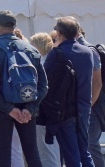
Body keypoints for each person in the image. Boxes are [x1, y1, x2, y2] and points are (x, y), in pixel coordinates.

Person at [0, 10, 47, 167]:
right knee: (32, 153)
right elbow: (43, 85)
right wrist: (30, 108)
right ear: (14, 26)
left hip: (0, 108)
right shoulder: (30, 49)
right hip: (26, 105)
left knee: (2, 155)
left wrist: (8, 108)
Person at [45, 17, 95, 167]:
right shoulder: (87, 52)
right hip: (84, 107)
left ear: (59, 33)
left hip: (64, 109)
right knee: (84, 151)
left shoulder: (56, 53)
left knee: (71, 155)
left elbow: (46, 80)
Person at [29, 33, 61, 167]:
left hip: (42, 112)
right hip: (54, 112)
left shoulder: (41, 64)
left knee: (45, 151)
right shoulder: (53, 61)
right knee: (53, 149)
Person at [77, 27, 105, 167]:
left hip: (93, 106)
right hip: (91, 105)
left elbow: (97, 83)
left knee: (90, 143)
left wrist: (89, 105)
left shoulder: (89, 51)